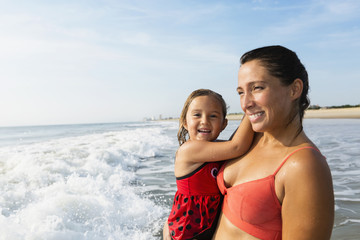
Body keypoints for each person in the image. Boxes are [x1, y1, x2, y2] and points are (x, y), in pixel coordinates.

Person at [213, 45, 334, 239]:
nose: (245, 104)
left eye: (257, 88)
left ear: (295, 89)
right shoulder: (250, 137)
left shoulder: (303, 165)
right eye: (241, 92)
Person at [163, 89, 254, 240]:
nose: (204, 121)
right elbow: (237, 146)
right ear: (185, 122)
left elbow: (236, 142)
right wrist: (251, 108)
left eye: (213, 116)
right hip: (186, 233)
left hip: (204, 228)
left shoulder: (216, 148)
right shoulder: (189, 150)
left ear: (223, 124)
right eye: (197, 115)